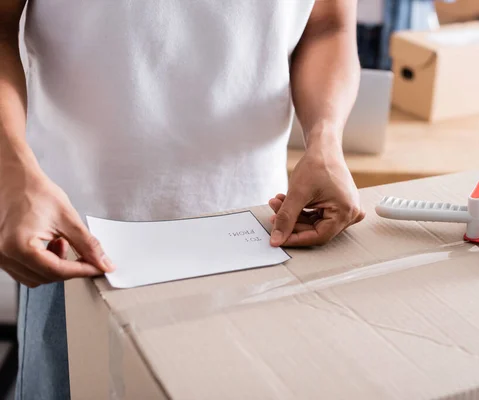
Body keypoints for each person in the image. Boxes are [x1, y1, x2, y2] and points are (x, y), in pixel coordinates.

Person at [0, 1, 365, 398]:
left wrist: (326, 139)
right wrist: (13, 171)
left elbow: (328, 25)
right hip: (77, 242)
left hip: (259, 239)